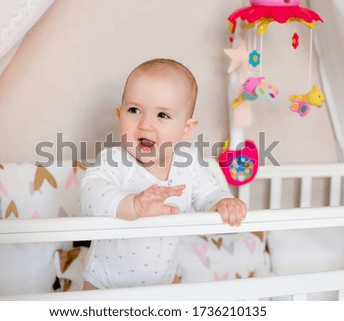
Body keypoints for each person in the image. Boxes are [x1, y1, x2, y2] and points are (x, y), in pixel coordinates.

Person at [79, 58, 247, 290]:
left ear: (186, 128)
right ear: (120, 114)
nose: (145, 124)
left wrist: (223, 202)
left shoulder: (189, 165)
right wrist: (133, 205)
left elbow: (209, 193)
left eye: (162, 115)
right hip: (105, 281)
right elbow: (90, 192)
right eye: (134, 110)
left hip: (163, 280)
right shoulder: (115, 161)